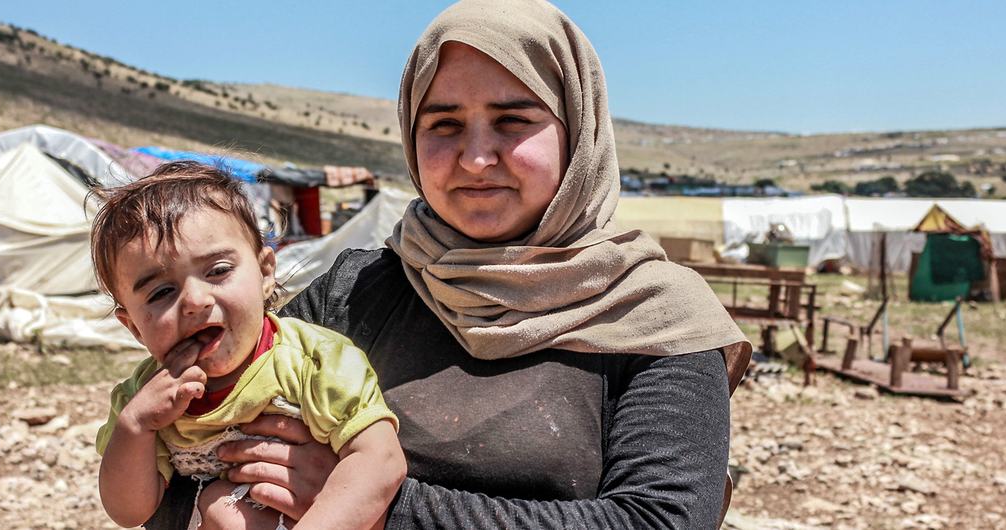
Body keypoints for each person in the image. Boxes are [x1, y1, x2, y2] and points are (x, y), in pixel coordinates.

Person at [147, 0, 750, 528]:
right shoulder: (356, 294)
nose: (477, 157)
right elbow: (178, 461)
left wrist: (376, 506)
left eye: (514, 121)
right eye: (444, 124)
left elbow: (658, 520)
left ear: (579, 128)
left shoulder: (657, 318)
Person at [91, 162, 406, 530]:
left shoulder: (312, 361)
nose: (195, 299)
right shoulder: (144, 398)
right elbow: (130, 512)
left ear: (266, 273)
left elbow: (381, 458)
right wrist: (136, 426)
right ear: (134, 328)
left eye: (218, 271)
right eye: (162, 292)